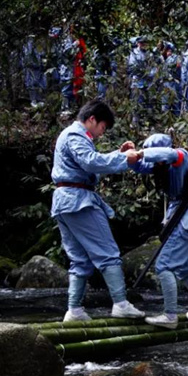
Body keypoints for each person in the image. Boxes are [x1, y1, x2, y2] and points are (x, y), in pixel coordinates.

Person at [51, 100, 146, 322]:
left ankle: (74, 310)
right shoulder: (75, 135)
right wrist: (125, 158)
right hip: (78, 201)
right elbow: (90, 162)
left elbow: (88, 163)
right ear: (92, 119)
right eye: (103, 127)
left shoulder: (71, 136)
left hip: (65, 202)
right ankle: (121, 303)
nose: (102, 133)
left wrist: (118, 153)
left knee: (80, 259)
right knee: (108, 252)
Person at [128, 134, 188, 328]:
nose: (156, 163)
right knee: (186, 271)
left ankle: (170, 316)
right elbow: (141, 166)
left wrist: (142, 152)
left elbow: (169, 154)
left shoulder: (178, 156)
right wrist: (131, 156)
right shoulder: (162, 165)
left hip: (185, 218)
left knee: (164, 266)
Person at [127, 36, 159, 125]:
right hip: (138, 82)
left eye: (145, 43)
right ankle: (136, 123)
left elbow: (154, 66)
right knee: (137, 102)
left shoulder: (150, 54)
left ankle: (148, 122)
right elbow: (133, 67)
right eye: (141, 43)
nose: (143, 45)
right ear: (138, 43)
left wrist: (151, 74)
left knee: (150, 102)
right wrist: (145, 73)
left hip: (149, 82)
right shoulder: (134, 53)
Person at [22, 34, 47, 108]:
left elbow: (42, 54)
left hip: (39, 67)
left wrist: (43, 63)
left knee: (41, 83)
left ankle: (39, 99)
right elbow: (27, 56)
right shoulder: (27, 46)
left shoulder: (38, 46)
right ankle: (33, 100)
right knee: (31, 84)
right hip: (31, 68)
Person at [160, 41, 183, 116]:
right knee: (165, 104)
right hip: (164, 84)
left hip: (173, 83)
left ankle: (176, 122)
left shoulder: (176, 57)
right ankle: (166, 123)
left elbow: (179, 65)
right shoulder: (161, 58)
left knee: (175, 104)